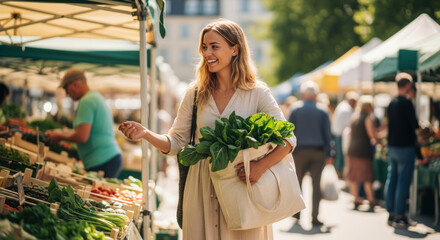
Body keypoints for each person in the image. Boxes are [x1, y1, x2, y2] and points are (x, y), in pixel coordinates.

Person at [119, 19, 296, 240]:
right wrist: (145, 134)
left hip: (242, 188)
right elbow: (176, 142)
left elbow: (288, 139)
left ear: (235, 49)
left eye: (214, 46)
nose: (207, 53)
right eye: (204, 47)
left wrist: (260, 166)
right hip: (201, 187)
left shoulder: (257, 93)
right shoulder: (194, 93)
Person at [45, 68, 122, 178]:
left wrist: (59, 136)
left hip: (102, 161)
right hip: (109, 158)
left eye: (66, 89)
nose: (67, 94)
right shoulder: (94, 97)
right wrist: (62, 133)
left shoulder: (86, 101)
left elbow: (82, 136)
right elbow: (85, 131)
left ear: (75, 84)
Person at [288, 81, 333, 226]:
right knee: (316, 184)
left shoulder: (295, 109)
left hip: (299, 152)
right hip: (318, 152)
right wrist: (329, 154)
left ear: (302, 94)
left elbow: (288, 131)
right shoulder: (322, 110)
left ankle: (296, 213)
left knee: (297, 183)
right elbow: (327, 134)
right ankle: (315, 216)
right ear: (315, 95)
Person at [385, 72, 419, 228]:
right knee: (402, 181)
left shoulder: (391, 103)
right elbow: (416, 128)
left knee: (392, 179)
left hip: (392, 145)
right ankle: (399, 214)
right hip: (405, 146)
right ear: (407, 86)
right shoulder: (407, 103)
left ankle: (391, 212)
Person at [344, 95, 378, 211]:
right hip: (363, 150)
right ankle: (371, 199)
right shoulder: (367, 118)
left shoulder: (354, 117)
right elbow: (372, 135)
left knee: (353, 176)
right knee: (366, 176)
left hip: (352, 149)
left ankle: (356, 198)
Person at [331, 91, 358, 177]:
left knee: (339, 154)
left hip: (338, 133)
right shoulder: (346, 109)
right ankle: (339, 173)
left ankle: (338, 172)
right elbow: (349, 124)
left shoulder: (342, 105)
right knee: (342, 155)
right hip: (341, 135)